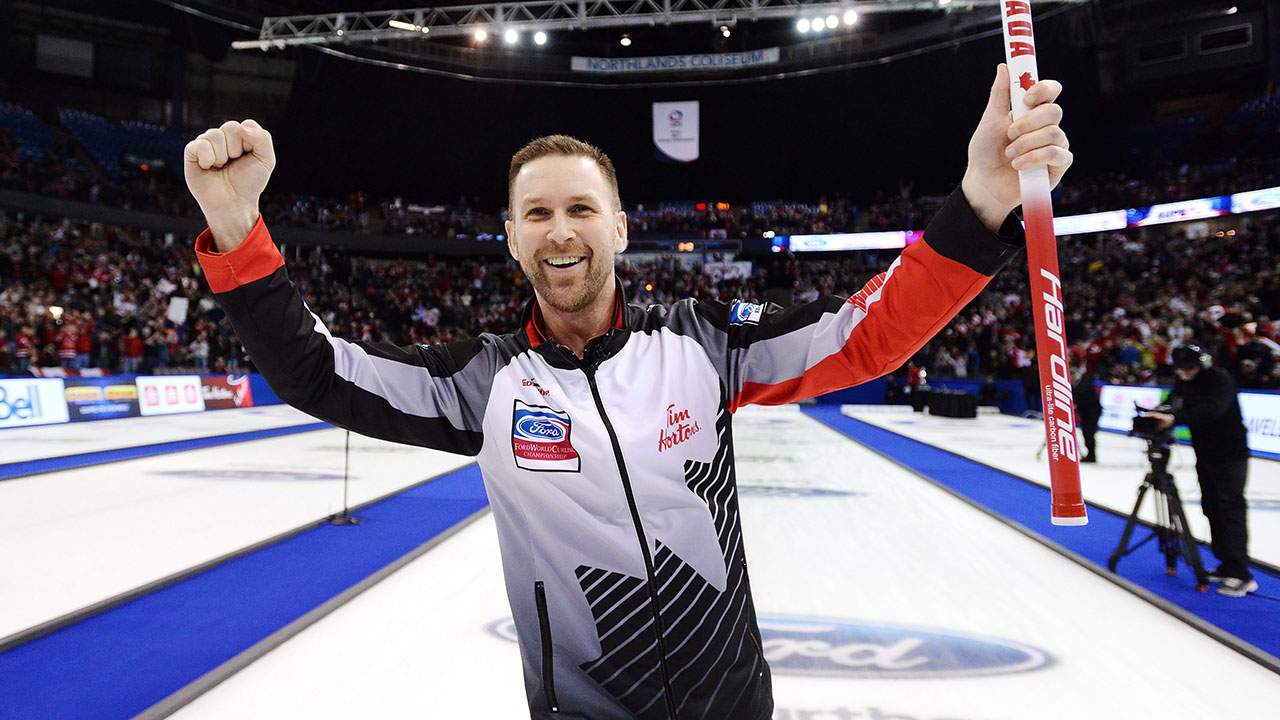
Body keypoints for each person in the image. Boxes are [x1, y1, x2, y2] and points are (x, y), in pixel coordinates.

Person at [183, 64, 1072, 718]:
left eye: (579, 209)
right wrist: (234, 224)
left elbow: (866, 334)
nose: (560, 231)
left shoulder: (701, 342)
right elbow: (317, 370)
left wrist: (981, 200)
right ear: (509, 238)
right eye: (536, 213)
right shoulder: (482, 381)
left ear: (617, 225)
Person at [1145, 344, 1255, 597]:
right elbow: (1173, 402)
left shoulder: (1220, 380)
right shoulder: (1184, 381)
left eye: (1189, 368)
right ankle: (1226, 564)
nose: (1185, 373)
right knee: (1212, 508)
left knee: (1230, 511)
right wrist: (1162, 412)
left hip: (1230, 456)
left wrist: (1176, 417)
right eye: (1181, 369)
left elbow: (1212, 411)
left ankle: (1241, 573)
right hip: (1205, 455)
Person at [1073, 368, 1101, 463]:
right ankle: (1090, 454)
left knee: (1089, 433)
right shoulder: (1081, 383)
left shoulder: (1084, 385)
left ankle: (1091, 455)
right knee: (1086, 433)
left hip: (1092, 412)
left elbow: (1083, 398)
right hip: (1087, 413)